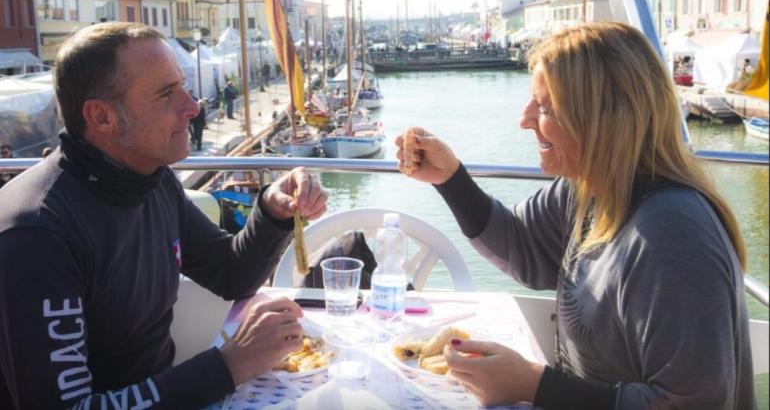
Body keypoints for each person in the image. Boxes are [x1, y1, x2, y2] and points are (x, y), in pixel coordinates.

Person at [395, 22, 754, 409]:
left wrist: (534, 386)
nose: (525, 119)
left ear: (603, 118)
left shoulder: (673, 236)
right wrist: (451, 180)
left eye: (545, 107)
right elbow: (521, 246)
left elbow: (695, 403)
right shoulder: (588, 191)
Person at [0, 22, 329, 408]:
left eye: (185, 87)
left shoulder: (151, 180)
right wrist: (230, 365)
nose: (193, 107)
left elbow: (231, 274)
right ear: (102, 117)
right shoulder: (36, 235)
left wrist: (272, 212)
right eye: (166, 94)